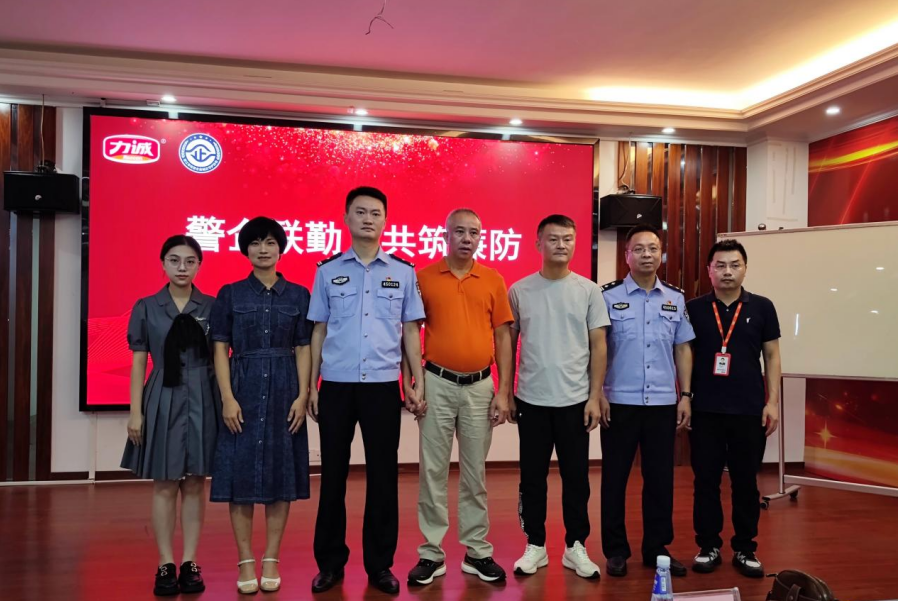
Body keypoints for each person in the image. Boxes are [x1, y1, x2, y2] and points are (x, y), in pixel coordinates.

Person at [307, 186, 426, 595]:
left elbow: (410, 330)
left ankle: (379, 565)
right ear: (346, 218)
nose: (368, 219)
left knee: (383, 477)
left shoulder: (403, 271)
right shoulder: (327, 271)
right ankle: (330, 564)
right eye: (360, 212)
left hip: (382, 387)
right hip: (336, 386)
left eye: (376, 213)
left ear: (385, 220)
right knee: (333, 477)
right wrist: (312, 385)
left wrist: (416, 380)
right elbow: (319, 329)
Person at [402, 208, 513, 585]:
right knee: (432, 471)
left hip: (481, 387)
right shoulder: (423, 278)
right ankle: (431, 553)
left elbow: (502, 337)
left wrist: (503, 391)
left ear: (481, 237)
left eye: (474, 233)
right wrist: (410, 381)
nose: (467, 238)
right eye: (460, 232)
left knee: (475, 472)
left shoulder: (493, 279)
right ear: (445, 235)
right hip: (436, 383)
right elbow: (410, 333)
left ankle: (477, 551)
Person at [208, 217, 313, 595]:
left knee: (280, 477)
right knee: (240, 478)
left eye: (270, 242)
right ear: (245, 250)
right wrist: (227, 397)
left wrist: (302, 394)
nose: (263, 249)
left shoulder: (298, 294)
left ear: (281, 248)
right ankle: (245, 560)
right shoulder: (230, 294)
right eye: (255, 243)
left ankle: (271, 557)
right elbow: (220, 347)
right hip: (243, 389)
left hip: (285, 389)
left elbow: (303, 348)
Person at [507, 214, 609, 580]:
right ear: (538, 243)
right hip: (531, 400)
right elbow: (509, 343)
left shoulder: (588, 290)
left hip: (575, 401)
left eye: (567, 238)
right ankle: (535, 544)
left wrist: (594, 396)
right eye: (553, 239)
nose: (561, 245)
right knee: (532, 478)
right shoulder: (519, 290)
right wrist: (507, 392)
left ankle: (575, 546)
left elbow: (599, 346)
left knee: (577, 479)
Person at [121, 234, 219, 596]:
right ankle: (165, 563)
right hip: (161, 397)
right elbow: (138, 363)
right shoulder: (146, 307)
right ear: (163, 263)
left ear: (199, 265)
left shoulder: (212, 306)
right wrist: (135, 412)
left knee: (195, 483)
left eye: (190, 261)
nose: (182, 267)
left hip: (204, 398)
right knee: (164, 484)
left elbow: (221, 357)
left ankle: (190, 561)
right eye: (174, 260)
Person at [600, 223, 694, 578]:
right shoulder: (607, 296)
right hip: (618, 401)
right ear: (626, 255)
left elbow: (683, 349)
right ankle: (615, 550)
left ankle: (656, 548)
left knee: (659, 480)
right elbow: (597, 350)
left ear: (661, 254)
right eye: (638, 249)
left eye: (653, 248)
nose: (646, 255)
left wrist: (685, 395)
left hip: (662, 403)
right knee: (614, 479)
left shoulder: (675, 298)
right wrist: (598, 394)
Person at [686, 239, 781, 578]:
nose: (727, 271)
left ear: (745, 268)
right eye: (720, 265)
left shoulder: (763, 307)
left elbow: (772, 355)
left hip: (749, 410)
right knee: (706, 482)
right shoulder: (694, 308)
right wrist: (685, 396)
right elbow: (684, 355)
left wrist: (772, 402)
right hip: (705, 410)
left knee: (745, 483)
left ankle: (745, 548)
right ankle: (708, 545)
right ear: (709, 270)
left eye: (734, 265)